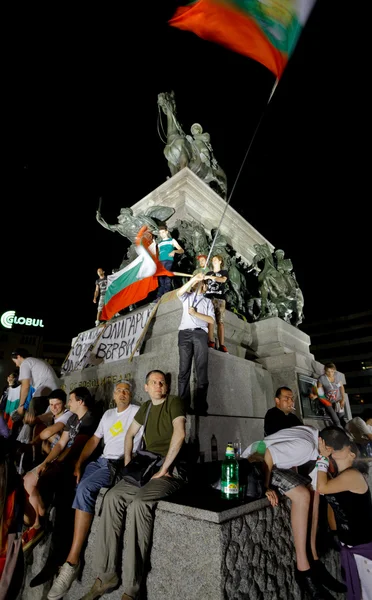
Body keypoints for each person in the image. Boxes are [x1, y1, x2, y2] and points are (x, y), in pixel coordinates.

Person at [81, 370, 186, 600]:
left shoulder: (174, 403)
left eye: (162, 382)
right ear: (146, 388)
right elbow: (129, 435)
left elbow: (179, 433)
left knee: (140, 503)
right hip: (146, 467)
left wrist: (165, 468)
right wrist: (129, 465)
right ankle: (107, 574)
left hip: (169, 469)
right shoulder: (146, 408)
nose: (159, 385)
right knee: (111, 498)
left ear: (166, 387)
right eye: (154, 383)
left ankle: (133, 587)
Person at [43, 381, 143, 600]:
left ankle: (72, 561)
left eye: (127, 390)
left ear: (132, 394)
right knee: (71, 486)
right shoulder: (107, 415)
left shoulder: (138, 412)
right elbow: (95, 440)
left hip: (116, 464)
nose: (123, 393)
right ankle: (59, 550)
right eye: (119, 390)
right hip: (99, 461)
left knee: (85, 488)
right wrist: (79, 463)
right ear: (114, 395)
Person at [242, 426, 347, 599]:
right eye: (335, 454)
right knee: (302, 496)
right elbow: (268, 453)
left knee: (314, 493)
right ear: (327, 448)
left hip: (268, 459)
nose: (336, 459)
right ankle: (303, 570)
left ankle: (313, 559)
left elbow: (316, 484)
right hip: (254, 463)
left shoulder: (315, 437)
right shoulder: (306, 447)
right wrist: (265, 487)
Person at [22, 387, 96, 550]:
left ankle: (38, 523)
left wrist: (56, 462)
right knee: (30, 477)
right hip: (60, 461)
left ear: (80, 402)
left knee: (39, 480)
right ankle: (38, 521)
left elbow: (76, 446)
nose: (69, 404)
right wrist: (46, 462)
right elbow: (62, 443)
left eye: (70, 400)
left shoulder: (89, 419)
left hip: (73, 465)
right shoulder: (73, 419)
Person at [317, 426, 372, 600]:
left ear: (352, 455)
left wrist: (321, 458)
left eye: (347, 446)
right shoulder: (338, 479)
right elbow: (332, 508)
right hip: (349, 547)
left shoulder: (353, 475)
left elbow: (321, 488)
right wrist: (335, 533)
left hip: (364, 548)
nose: (343, 446)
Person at [176, 272, 215, 415]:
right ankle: (183, 405)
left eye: (202, 282)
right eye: (199, 282)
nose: (201, 284)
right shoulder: (187, 297)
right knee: (183, 371)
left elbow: (211, 320)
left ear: (205, 287)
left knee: (201, 370)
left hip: (200, 334)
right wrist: (193, 279)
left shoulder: (207, 302)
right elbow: (179, 293)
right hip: (184, 334)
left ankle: (200, 406)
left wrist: (195, 314)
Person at [11, 348, 60, 421]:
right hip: (55, 392)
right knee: (44, 420)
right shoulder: (36, 361)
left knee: (32, 420)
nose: (16, 365)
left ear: (18, 357)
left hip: (44, 393)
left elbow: (25, 386)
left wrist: (21, 406)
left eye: (15, 362)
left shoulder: (25, 363)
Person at [204, 254, 229, 353]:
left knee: (220, 322)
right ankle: (211, 341)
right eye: (212, 259)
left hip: (220, 298)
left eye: (215, 259)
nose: (213, 261)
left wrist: (210, 277)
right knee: (210, 320)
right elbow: (205, 286)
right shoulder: (209, 272)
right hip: (209, 298)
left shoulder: (223, 272)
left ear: (220, 261)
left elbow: (223, 280)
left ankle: (222, 344)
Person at [156, 224, 184, 299]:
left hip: (168, 261)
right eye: (160, 233)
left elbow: (181, 250)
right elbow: (159, 254)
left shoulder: (172, 240)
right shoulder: (159, 244)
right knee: (161, 280)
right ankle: (160, 297)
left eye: (163, 232)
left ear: (166, 232)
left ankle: (165, 296)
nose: (161, 234)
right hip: (161, 263)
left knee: (167, 278)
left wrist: (174, 251)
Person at [317, 363, 346, 428]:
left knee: (341, 418)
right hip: (328, 401)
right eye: (328, 371)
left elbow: (341, 387)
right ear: (325, 370)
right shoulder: (322, 378)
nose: (330, 374)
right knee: (336, 421)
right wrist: (326, 402)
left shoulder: (337, 376)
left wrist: (343, 399)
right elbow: (320, 392)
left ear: (334, 370)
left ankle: (348, 434)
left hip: (338, 400)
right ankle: (341, 434)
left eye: (332, 371)